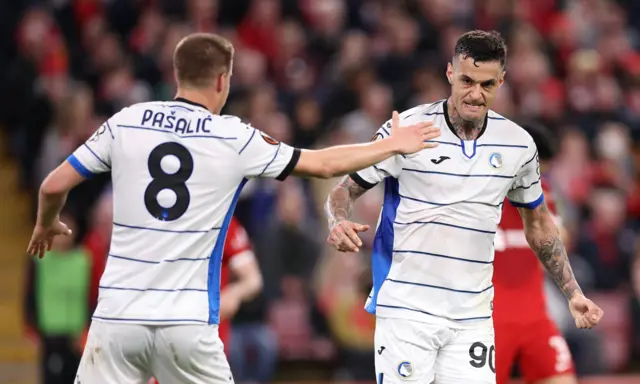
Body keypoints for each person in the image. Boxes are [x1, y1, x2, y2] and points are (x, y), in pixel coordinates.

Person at [26, 32, 441, 384]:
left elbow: (52, 185)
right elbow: (323, 164)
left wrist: (47, 224)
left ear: (177, 74)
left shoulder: (126, 121)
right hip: (187, 325)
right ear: (223, 80)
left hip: (116, 319)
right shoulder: (233, 136)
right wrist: (388, 144)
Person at [325, 30, 603, 384]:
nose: (475, 94)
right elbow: (343, 190)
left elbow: (539, 225)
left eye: (487, 85)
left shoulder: (517, 145)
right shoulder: (409, 129)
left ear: (501, 81)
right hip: (408, 309)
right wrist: (337, 220)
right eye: (467, 80)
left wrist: (573, 292)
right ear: (449, 74)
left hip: (473, 316)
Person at [492, 122, 577, 384]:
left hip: (535, 317)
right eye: (540, 170)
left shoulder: (544, 195)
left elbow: (560, 244)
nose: (542, 178)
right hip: (487, 322)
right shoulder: (478, 194)